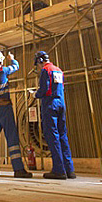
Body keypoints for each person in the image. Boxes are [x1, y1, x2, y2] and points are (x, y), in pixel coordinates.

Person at [0, 51, 32, 178]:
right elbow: (16, 67)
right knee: (11, 136)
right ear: (1, 60)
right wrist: (12, 59)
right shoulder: (3, 71)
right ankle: (18, 169)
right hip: (5, 108)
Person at [31, 51, 76, 179]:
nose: (38, 68)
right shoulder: (58, 70)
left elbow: (44, 89)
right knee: (62, 135)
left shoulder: (46, 70)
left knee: (52, 136)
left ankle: (58, 170)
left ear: (40, 61)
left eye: (38, 65)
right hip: (61, 103)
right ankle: (69, 169)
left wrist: (35, 94)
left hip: (50, 104)